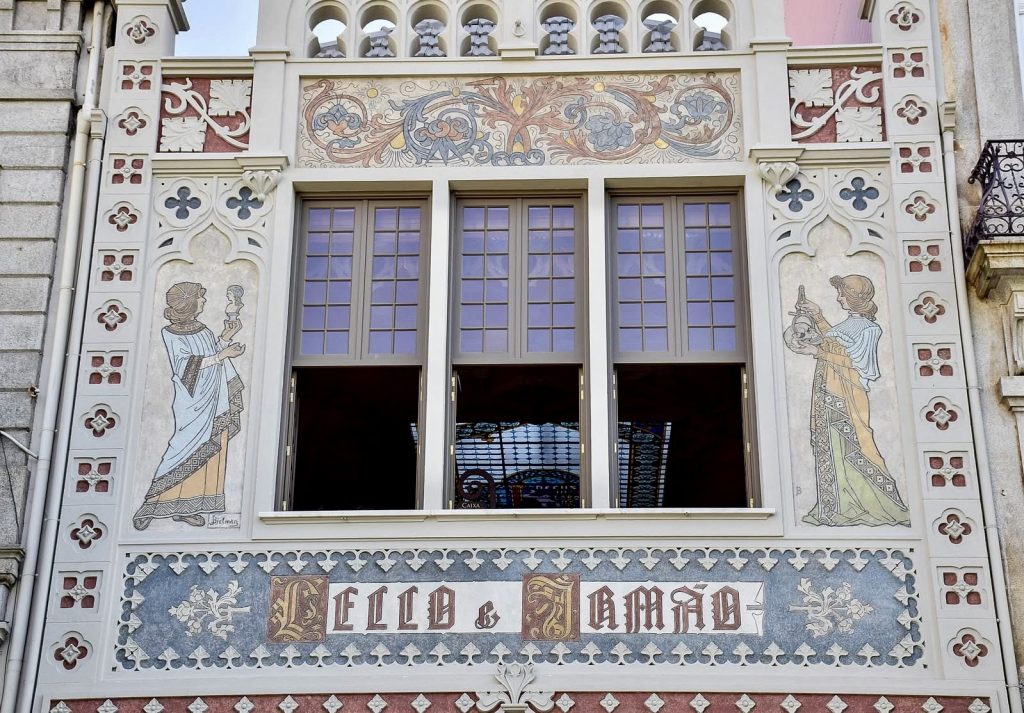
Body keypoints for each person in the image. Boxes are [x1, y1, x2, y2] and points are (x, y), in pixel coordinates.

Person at [789, 275, 910, 527]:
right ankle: (834, 507)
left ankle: (879, 504)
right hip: (827, 393)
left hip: (847, 398)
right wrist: (818, 316)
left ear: (855, 297)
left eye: (843, 294)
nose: (839, 298)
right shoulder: (849, 324)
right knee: (830, 450)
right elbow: (835, 344)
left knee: (858, 446)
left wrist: (816, 351)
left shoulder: (869, 329)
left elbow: (857, 366)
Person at [133, 282, 245, 530]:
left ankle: (189, 507)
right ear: (189, 303)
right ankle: (151, 504)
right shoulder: (170, 334)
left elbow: (209, 350)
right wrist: (223, 356)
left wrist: (225, 338)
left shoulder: (203, 329)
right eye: (200, 298)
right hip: (193, 402)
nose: (204, 302)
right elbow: (185, 367)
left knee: (214, 448)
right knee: (181, 448)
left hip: (215, 398)